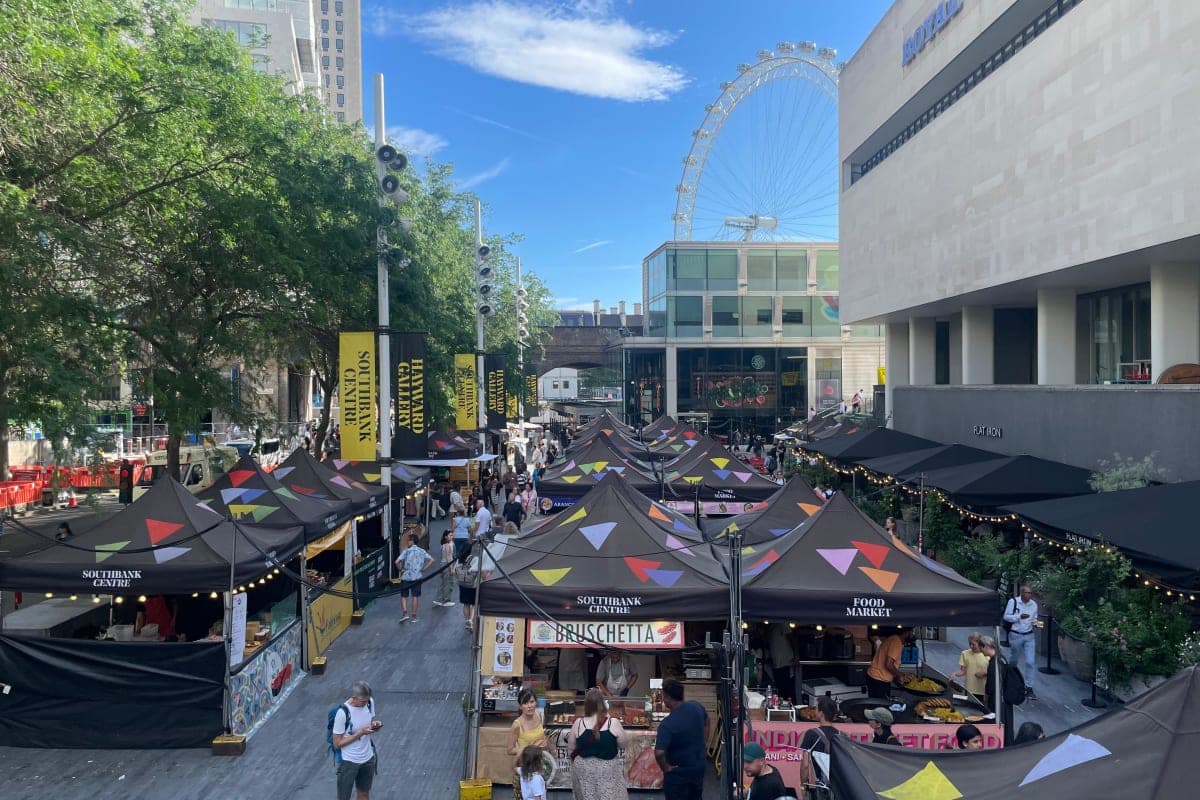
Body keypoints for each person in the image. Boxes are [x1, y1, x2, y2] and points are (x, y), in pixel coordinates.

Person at [567, 687, 628, 800]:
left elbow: (571, 750)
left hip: (585, 769)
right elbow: (623, 745)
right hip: (608, 770)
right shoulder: (613, 723)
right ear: (602, 703)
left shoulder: (578, 723)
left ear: (587, 705)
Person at [654, 680, 709, 800]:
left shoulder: (667, 724)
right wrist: (704, 742)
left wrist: (666, 767)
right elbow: (707, 721)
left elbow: (659, 752)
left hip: (678, 773)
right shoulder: (696, 706)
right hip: (698, 767)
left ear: (667, 698)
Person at [331, 680, 382, 800]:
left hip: (367, 758)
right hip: (349, 762)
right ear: (354, 697)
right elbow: (337, 744)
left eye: (367, 700)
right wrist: (359, 734)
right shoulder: (342, 714)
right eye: (363, 701)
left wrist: (374, 725)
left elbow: (368, 723)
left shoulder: (369, 702)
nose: (366, 703)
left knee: (364, 794)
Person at [508, 689, 548, 800]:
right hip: (524, 768)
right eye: (525, 703)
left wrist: (545, 743)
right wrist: (530, 747)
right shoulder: (517, 725)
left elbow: (542, 736)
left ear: (536, 702)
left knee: (540, 793)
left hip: (538, 763)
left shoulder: (538, 715)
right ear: (520, 706)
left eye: (531, 701)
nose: (529, 706)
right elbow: (510, 750)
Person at [1003, 584, 1039, 699]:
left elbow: (1035, 618)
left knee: (1030, 662)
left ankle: (1029, 688)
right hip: (1016, 634)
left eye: (1030, 593)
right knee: (1014, 660)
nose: (1029, 595)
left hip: (1029, 635)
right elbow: (1006, 617)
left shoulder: (1034, 605)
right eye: (1027, 593)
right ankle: (1009, 678)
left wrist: (1037, 624)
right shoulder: (1013, 602)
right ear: (1022, 593)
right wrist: (1019, 617)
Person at [981, 635, 1015, 744]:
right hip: (1005, 697)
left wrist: (985, 698)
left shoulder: (994, 663)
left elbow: (990, 684)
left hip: (997, 699)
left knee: (997, 720)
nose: (982, 652)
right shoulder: (1002, 658)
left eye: (982, 648)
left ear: (986, 647)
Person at [395, 530, 433, 623]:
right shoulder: (422, 551)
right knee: (415, 596)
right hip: (417, 577)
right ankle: (414, 616)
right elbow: (431, 560)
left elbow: (397, 562)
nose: (407, 542)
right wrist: (423, 568)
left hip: (406, 577)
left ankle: (405, 613)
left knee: (404, 596)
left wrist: (401, 569)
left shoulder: (406, 551)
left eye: (408, 540)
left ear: (412, 541)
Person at [866, 630, 915, 698]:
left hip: (877, 678)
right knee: (880, 706)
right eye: (912, 632)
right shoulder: (896, 641)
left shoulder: (895, 639)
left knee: (877, 705)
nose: (913, 635)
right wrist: (901, 675)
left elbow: (892, 665)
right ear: (906, 632)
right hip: (879, 679)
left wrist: (898, 676)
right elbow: (889, 665)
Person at [455, 545, 490, 632]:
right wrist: (487, 574)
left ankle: (467, 621)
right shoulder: (475, 559)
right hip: (473, 585)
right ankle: (471, 620)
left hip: (462, 584)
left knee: (465, 604)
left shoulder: (459, 559)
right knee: (474, 604)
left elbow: (454, 571)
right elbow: (483, 575)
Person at [950, 632, 990, 702]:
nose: (971, 646)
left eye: (973, 644)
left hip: (983, 690)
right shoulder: (965, 654)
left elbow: (991, 672)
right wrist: (955, 674)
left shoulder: (987, 655)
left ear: (980, 644)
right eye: (969, 644)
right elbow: (963, 671)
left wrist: (984, 673)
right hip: (969, 689)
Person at [434, 529, 456, 608]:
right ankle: (446, 600)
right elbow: (448, 557)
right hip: (447, 564)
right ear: (445, 537)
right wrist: (451, 568)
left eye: (452, 535)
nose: (452, 537)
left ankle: (439, 599)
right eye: (450, 535)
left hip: (442, 564)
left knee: (443, 582)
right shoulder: (447, 545)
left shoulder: (443, 544)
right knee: (448, 583)